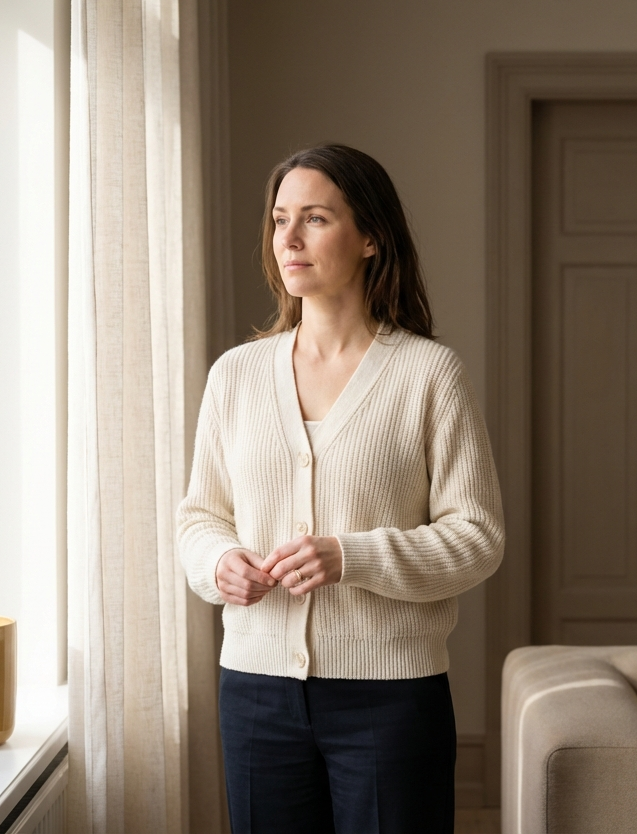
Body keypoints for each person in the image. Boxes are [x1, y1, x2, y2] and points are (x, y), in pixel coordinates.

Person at [176, 144, 504, 834]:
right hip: (256, 691)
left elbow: (478, 538)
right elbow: (200, 517)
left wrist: (350, 557)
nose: (287, 240)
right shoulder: (234, 375)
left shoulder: (428, 374)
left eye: (315, 219)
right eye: (278, 220)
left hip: (390, 699)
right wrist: (217, 563)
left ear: (370, 238)